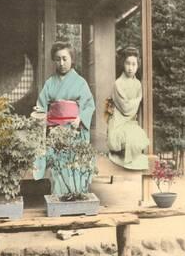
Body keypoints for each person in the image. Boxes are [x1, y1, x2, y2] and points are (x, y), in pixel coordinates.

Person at [32, 42, 96, 195]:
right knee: (55, 158)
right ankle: (60, 197)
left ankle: (76, 194)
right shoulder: (50, 83)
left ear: (72, 59)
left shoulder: (80, 82)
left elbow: (89, 106)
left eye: (65, 59)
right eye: (57, 59)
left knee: (73, 158)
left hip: (74, 131)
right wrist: (42, 117)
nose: (61, 63)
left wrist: (80, 119)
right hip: (54, 132)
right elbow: (41, 107)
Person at [107, 47, 149, 170]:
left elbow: (134, 106)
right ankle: (119, 154)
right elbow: (126, 108)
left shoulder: (138, 84)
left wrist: (135, 101)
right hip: (118, 122)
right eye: (127, 63)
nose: (130, 67)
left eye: (133, 64)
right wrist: (137, 100)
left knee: (138, 136)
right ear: (123, 64)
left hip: (131, 122)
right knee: (128, 136)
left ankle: (128, 156)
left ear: (138, 65)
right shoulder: (118, 83)